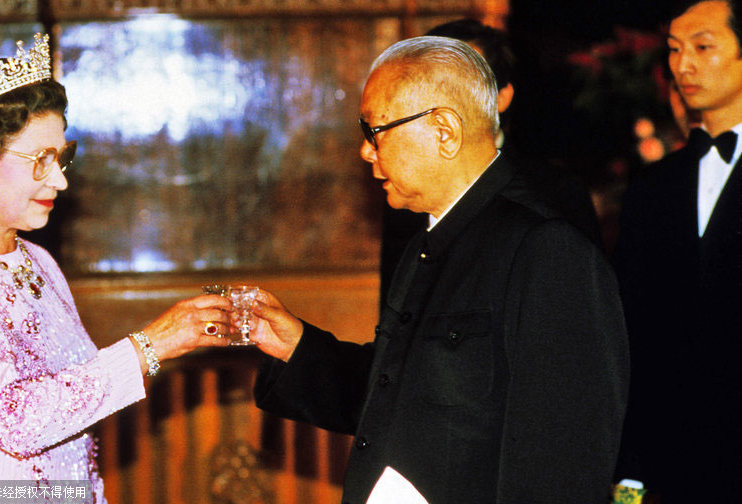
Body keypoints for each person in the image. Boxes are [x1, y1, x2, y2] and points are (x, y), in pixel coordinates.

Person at [250, 36, 629, 504]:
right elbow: (401, 393)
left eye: (375, 131)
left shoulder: (546, 251)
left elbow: (561, 467)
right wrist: (295, 347)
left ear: (444, 131)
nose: (366, 152)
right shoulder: (429, 242)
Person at [0, 33, 232, 498]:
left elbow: (76, 408)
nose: (60, 179)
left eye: (62, 157)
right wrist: (154, 343)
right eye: (41, 160)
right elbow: (15, 420)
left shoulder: (39, 262)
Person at [613, 0, 742, 501]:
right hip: (672, 470)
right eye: (673, 49)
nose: (682, 64)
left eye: (703, 47)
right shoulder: (653, 188)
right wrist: (628, 480)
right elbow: (633, 343)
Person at [379, 19, 601, 307]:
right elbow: (393, 327)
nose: (446, 104)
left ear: (501, 97)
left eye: (462, 85)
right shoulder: (405, 191)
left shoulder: (555, 191)